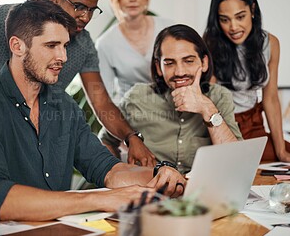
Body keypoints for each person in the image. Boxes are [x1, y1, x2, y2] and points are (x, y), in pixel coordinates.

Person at [0, 0, 185, 233]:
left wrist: (157, 175)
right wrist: (98, 199)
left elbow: (107, 169)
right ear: (17, 46)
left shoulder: (65, 107)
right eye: (51, 46)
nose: (63, 57)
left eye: (65, 45)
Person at [0, 0, 152, 167]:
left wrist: (131, 137)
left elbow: (101, 101)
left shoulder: (84, 45)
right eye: (79, 6)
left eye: (91, 10)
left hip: (33, 146)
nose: (86, 17)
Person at [202, 0, 290, 163]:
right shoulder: (209, 44)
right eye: (225, 20)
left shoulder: (271, 43)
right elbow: (209, 100)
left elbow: (270, 98)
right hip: (223, 126)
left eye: (240, 16)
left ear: (253, 10)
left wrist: (281, 151)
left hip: (254, 124)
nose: (233, 27)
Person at [100, 24, 243, 174]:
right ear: (158, 68)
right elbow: (106, 141)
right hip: (151, 190)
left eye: (188, 61)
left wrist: (207, 108)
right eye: (169, 63)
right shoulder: (137, 98)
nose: (180, 72)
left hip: (204, 190)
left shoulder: (219, 97)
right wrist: (119, 174)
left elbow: (236, 162)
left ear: (204, 63)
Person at [95, 0, 173, 104]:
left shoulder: (169, 29)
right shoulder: (105, 43)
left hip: (171, 106)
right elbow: (105, 96)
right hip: (132, 111)